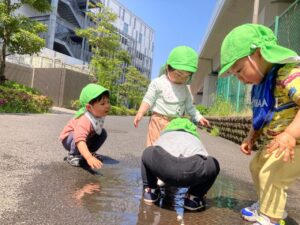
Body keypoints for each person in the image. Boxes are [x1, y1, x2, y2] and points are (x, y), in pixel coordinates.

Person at [219, 23, 300, 225]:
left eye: (240, 70)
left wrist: (290, 134)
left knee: (271, 173)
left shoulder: (287, 73)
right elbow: (261, 115)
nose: (239, 78)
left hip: (295, 144)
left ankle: (271, 218)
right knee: (256, 166)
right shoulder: (261, 84)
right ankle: (268, 206)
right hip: (275, 143)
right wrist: (250, 136)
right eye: (235, 75)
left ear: (258, 53)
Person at [134, 46, 210, 146]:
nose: (181, 79)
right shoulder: (158, 82)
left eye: (186, 76)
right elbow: (149, 99)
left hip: (175, 124)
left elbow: (190, 107)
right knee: (154, 147)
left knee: (171, 149)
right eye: (178, 74)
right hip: (158, 121)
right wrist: (141, 112)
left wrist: (199, 117)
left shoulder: (185, 89)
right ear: (168, 68)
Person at [141, 118, 220, 211]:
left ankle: (151, 191)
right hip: (190, 171)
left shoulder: (165, 135)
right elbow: (204, 157)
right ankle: (193, 197)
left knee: (147, 152)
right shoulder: (194, 139)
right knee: (214, 164)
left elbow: (154, 151)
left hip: (165, 167)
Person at [60, 83, 111, 169]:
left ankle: (88, 151)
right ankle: (73, 155)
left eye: (108, 102)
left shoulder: (97, 116)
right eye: (102, 104)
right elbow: (79, 139)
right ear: (89, 107)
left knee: (102, 133)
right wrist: (88, 157)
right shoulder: (85, 119)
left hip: (84, 138)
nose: (107, 106)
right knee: (77, 135)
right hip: (69, 139)